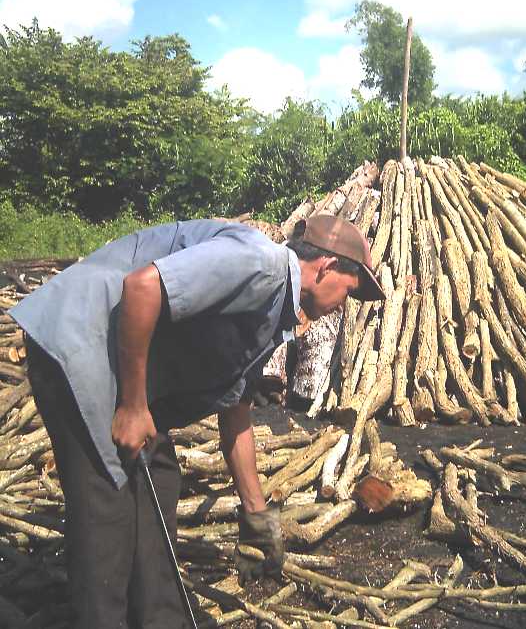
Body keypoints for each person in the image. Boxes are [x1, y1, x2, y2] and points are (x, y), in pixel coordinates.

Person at [9, 214, 385, 629]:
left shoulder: (272, 310)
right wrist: (134, 408)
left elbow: (236, 414)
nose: (342, 305)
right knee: (108, 507)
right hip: (79, 338)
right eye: (348, 292)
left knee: (161, 476)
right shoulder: (261, 263)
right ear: (327, 267)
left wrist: (256, 514)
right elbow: (142, 287)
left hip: (110, 358)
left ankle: (160, 619)